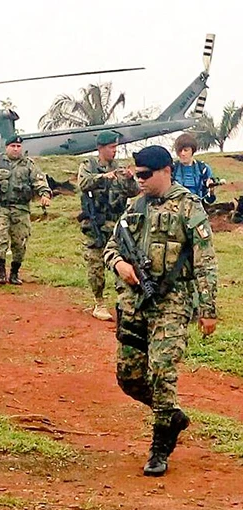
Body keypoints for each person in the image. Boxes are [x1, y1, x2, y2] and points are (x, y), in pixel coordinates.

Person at [103, 145, 217, 476]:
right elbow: (112, 246)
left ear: (166, 171)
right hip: (135, 301)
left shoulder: (188, 206)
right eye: (135, 174)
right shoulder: (134, 207)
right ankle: (172, 416)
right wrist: (120, 264)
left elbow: (205, 261)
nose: (138, 180)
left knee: (162, 369)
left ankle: (159, 448)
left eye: (144, 175)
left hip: (173, 300)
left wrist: (207, 309)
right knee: (129, 377)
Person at [0, 135, 51, 285]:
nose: (16, 149)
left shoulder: (29, 165)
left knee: (20, 242)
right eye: (13, 146)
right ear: (7, 147)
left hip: (21, 209)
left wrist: (45, 194)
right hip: (0, 206)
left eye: (18, 146)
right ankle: (1, 272)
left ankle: (14, 273)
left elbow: (39, 181)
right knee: (0, 238)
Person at [77, 130, 139, 321]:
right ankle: (99, 302)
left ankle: (125, 302)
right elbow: (83, 183)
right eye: (112, 147)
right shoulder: (89, 165)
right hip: (96, 224)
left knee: (123, 262)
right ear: (101, 148)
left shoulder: (119, 168)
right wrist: (104, 177)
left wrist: (129, 178)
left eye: (116, 147)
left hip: (116, 225)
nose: (114, 151)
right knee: (96, 266)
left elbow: (133, 191)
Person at [173, 133, 218, 206]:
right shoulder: (172, 169)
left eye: (186, 150)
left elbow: (209, 201)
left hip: (198, 210)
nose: (182, 153)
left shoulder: (204, 169)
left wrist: (211, 191)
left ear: (192, 151)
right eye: (180, 151)